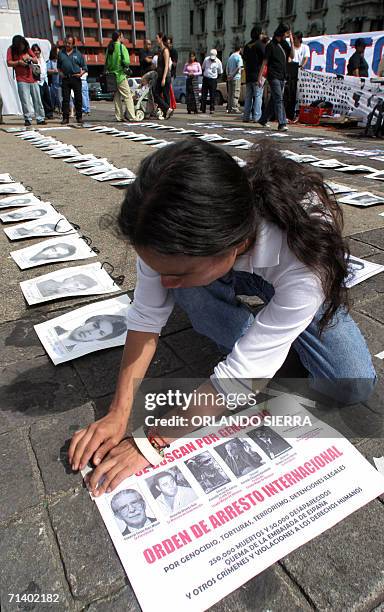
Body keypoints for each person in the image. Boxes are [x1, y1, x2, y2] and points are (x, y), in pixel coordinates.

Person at [68, 139, 376, 497]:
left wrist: (150, 442)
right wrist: (119, 411)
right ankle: (257, 332)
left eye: (177, 275)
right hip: (217, 262)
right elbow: (147, 315)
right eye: (158, 269)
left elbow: (238, 376)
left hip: (294, 269)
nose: (166, 284)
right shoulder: (163, 232)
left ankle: (276, 331)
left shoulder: (305, 253)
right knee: (238, 347)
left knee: (350, 384)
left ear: (231, 245)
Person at [258, 24, 294, 131]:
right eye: (287, 33)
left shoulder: (284, 44)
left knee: (274, 99)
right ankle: (282, 123)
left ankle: (263, 119)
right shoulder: (270, 45)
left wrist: (292, 43)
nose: (288, 36)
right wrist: (260, 77)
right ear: (282, 33)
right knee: (279, 99)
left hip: (282, 75)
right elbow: (264, 62)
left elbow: (292, 56)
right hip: (273, 76)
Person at [6, 35, 46, 127]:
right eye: (20, 46)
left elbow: (36, 60)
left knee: (37, 99)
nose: (22, 47)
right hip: (21, 79)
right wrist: (19, 62)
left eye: (23, 45)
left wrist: (30, 58)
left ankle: (40, 118)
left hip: (32, 78)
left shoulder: (27, 49)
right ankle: (27, 118)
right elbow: (9, 62)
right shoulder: (11, 50)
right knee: (25, 100)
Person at [105, 30, 136, 123]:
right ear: (119, 37)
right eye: (122, 36)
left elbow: (106, 63)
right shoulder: (122, 47)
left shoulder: (109, 48)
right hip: (121, 75)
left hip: (112, 76)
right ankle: (131, 116)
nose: (123, 38)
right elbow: (127, 62)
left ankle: (119, 116)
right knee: (128, 96)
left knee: (117, 97)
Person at [58, 35, 87, 125]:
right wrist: (60, 73)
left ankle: (79, 117)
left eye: (69, 43)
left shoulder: (78, 54)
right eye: (66, 43)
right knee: (65, 99)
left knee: (78, 98)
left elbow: (84, 67)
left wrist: (81, 74)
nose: (67, 45)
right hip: (65, 78)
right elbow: (58, 67)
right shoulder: (61, 53)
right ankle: (65, 118)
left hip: (76, 77)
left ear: (73, 44)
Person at [54, 314, 127, 349]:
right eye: (95, 325)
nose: (91, 331)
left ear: (101, 338)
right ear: (89, 321)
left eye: (101, 333)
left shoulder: (71, 350)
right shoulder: (55, 328)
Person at [242, 27, 266, 123]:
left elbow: (245, 58)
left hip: (249, 74)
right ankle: (257, 117)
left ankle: (246, 116)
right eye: (262, 33)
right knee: (258, 96)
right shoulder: (260, 45)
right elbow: (265, 58)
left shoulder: (247, 45)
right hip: (258, 74)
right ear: (259, 34)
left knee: (248, 97)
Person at [153, 33, 173, 120]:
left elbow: (166, 66)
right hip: (159, 75)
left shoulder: (165, 50)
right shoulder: (160, 50)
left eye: (157, 38)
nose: (156, 39)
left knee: (164, 94)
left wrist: (164, 78)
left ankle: (167, 111)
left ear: (161, 39)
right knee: (156, 94)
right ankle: (167, 110)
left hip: (165, 76)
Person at [31, 44, 54, 119]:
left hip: (44, 81)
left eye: (38, 50)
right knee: (40, 99)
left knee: (47, 98)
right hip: (37, 81)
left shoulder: (42, 59)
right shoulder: (32, 60)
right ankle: (41, 114)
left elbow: (45, 70)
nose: (37, 52)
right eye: (35, 50)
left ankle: (49, 113)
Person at [201, 49, 223, 114]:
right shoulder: (206, 59)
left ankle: (212, 108)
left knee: (212, 95)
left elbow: (220, 72)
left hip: (213, 80)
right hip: (206, 78)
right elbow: (203, 68)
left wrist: (215, 78)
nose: (212, 59)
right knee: (204, 94)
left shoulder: (218, 62)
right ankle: (203, 108)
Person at [226, 45, 243, 114]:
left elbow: (227, 67)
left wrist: (228, 75)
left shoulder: (231, 57)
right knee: (236, 93)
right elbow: (239, 67)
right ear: (240, 49)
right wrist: (233, 75)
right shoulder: (238, 57)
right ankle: (235, 108)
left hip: (229, 77)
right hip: (236, 77)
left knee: (230, 93)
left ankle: (229, 108)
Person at [47, 45, 62, 113]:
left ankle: (62, 110)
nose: (58, 54)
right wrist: (54, 71)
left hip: (62, 82)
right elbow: (47, 71)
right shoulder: (50, 62)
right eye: (57, 52)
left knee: (61, 98)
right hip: (54, 83)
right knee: (56, 98)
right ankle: (57, 110)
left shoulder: (61, 61)